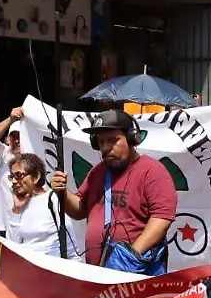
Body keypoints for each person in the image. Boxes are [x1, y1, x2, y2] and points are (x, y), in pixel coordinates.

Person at [49, 109, 177, 270]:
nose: (106, 147)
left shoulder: (152, 171)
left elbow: (161, 219)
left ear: (132, 138)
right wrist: (63, 192)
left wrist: (131, 257)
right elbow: (79, 210)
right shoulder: (98, 171)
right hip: (98, 273)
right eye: (101, 142)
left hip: (136, 275)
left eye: (112, 140)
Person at [6, 153, 62, 257]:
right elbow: (12, 244)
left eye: (18, 175)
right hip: (26, 268)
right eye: (12, 176)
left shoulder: (53, 200)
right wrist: (17, 210)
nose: (14, 181)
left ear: (36, 177)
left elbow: (69, 242)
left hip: (51, 267)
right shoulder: (18, 204)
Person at [0, 107, 25, 237]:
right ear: (8, 140)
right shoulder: (3, 154)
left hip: (27, 225)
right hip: (3, 226)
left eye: (21, 136)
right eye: (14, 137)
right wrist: (10, 119)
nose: (18, 140)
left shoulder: (35, 158)